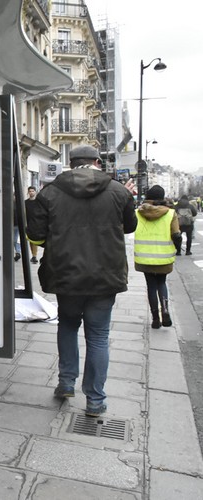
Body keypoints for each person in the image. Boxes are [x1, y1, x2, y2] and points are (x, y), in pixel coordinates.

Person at [26, 145, 137, 417]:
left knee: (67, 325)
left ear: (70, 163)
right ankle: (95, 400)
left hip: (66, 274)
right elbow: (131, 227)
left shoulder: (49, 193)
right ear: (97, 162)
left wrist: (57, 241)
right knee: (98, 336)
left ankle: (66, 382)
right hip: (105, 275)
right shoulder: (118, 191)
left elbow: (36, 237)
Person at [134, 185, 180, 329]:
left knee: (151, 286)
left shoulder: (138, 213)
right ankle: (165, 310)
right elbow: (176, 234)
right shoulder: (170, 213)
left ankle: (155, 319)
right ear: (162, 197)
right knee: (161, 283)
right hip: (164, 257)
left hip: (144, 257)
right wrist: (178, 248)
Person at [24, 186, 40, 264]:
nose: (31, 192)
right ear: (28, 192)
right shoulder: (25, 203)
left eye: (32, 191)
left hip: (36, 223)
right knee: (30, 240)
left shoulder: (38, 202)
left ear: (35, 192)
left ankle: (34, 256)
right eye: (30, 191)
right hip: (28, 223)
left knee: (34, 240)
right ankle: (33, 255)